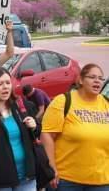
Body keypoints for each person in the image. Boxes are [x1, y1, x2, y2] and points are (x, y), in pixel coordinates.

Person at [41, 63, 109, 191]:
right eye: (92, 77)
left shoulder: (106, 104)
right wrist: (51, 167)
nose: (97, 81)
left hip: (101, 181)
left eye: (101, 78)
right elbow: (47, 135)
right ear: (81, 80)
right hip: (67, 180)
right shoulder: (63, 101)